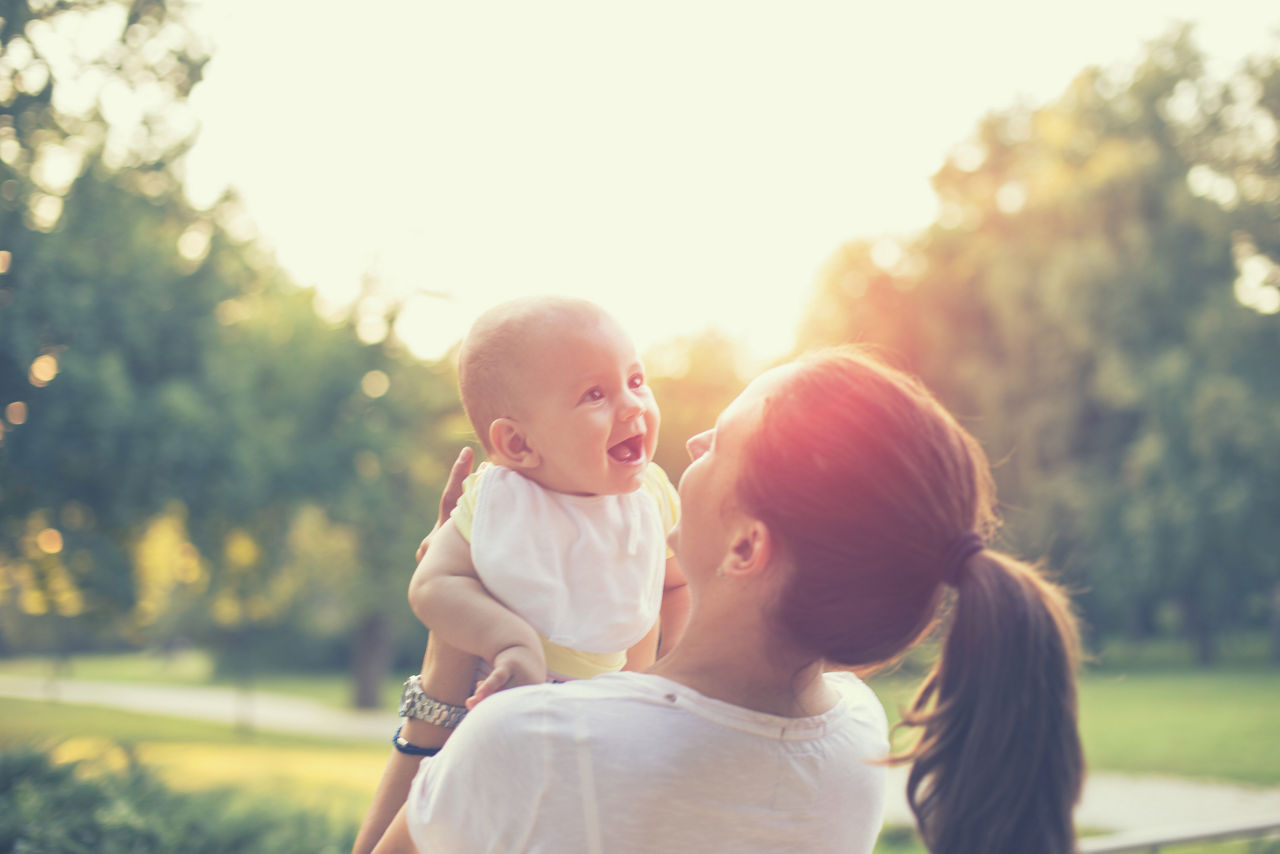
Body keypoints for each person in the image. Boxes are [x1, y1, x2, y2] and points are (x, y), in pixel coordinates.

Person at [356, 346, 1085, 854]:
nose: (694, 440)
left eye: (720, 444)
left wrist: (451, 650)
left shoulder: (530, 742)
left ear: (745, 547)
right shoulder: (856, 736)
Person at [407, 297, 688, 707]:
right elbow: (433, 585)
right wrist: (510, 642)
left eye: (635, 380)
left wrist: (674, 664)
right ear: (519, 443)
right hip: (501, 700)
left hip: (610, 710)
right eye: (594, 394)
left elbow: (679, 583)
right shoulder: (501, 502)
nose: (632, 405)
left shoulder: (653, 496)